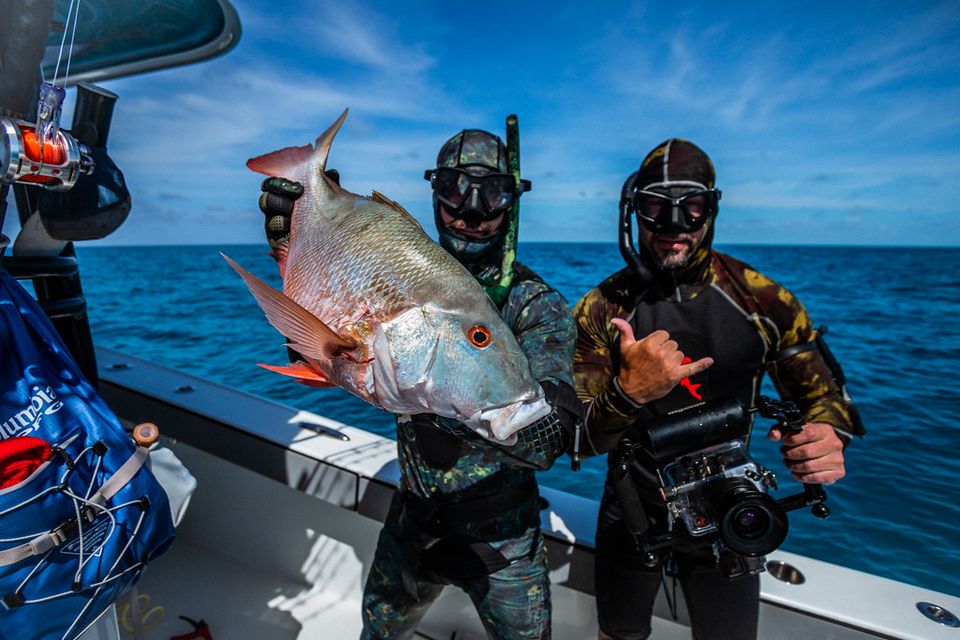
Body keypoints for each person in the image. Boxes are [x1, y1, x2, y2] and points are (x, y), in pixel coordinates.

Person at [257, 128, 582, 640]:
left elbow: (546, 440)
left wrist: (438, 400)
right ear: (434, 193)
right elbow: (316, 351)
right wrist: (303, 242)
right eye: (455, 189)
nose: (472, 211)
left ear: (513, 201)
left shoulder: (537, 305)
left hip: (505, 538)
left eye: (493, 192)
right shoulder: (394, 260)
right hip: (413, 520)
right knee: (377, 633)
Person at [572, 138, 864, 640]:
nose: (673, 226)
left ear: (713, 207)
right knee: (617, 634)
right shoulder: (603, 308)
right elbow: (578, 439)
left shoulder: (764, 301)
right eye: (654, 207)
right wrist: (629, 391)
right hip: (632, 507)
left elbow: (824, 397)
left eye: (692, 207)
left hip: (731, 507)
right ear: (632, 211)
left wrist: (827, 435)